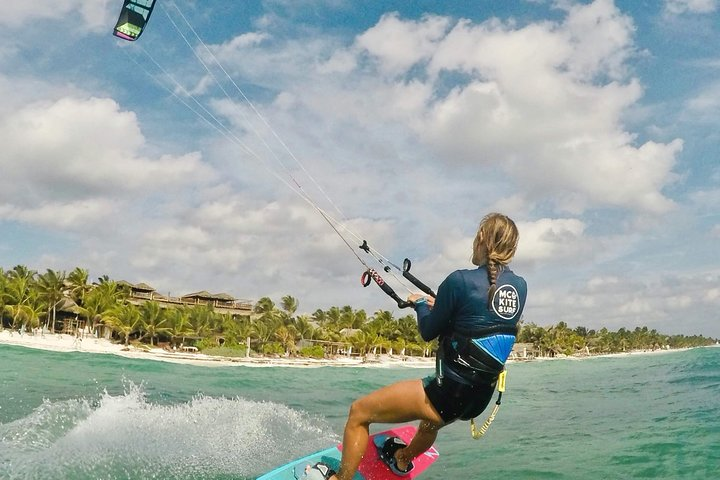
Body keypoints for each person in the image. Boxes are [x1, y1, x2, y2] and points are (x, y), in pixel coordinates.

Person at [306, 212, 528, 480]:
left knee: (359, 412)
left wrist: (420, 305)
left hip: (448, 393)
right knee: (430, 422)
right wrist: (443, 307)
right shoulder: (520, 287)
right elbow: (481, 324)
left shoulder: (460, 280)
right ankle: (401, 459)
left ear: (481, 238)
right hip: (479, 399)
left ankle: (339, 479)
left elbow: (428, 331)